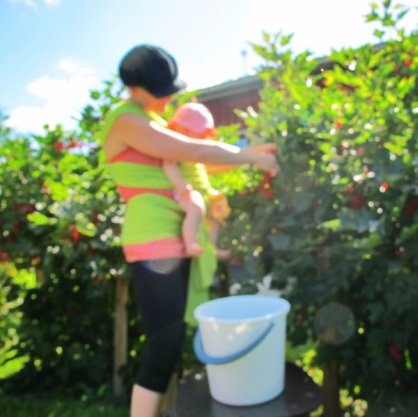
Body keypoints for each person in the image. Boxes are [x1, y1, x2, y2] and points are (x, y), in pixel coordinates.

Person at [99, 44, 279, 417]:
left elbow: (199, 166)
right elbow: (196, 152)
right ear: (135, 88)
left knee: (175, 338)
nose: (171, 97)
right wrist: (250, 157)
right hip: (155, 242)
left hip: (178, 239)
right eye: (163, 91)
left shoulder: (154, 121)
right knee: (164, 345)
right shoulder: (127, 120)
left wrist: (250, 153)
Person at [162, 101, 232, 260]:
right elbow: (169, 165)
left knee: (214, 218)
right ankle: (190, 243)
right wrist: (180, 184)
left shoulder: (195, 152)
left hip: (204, 192)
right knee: (195, 208)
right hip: (188, 192)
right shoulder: (175, 148)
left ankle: (212, 248)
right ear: (183, 130)